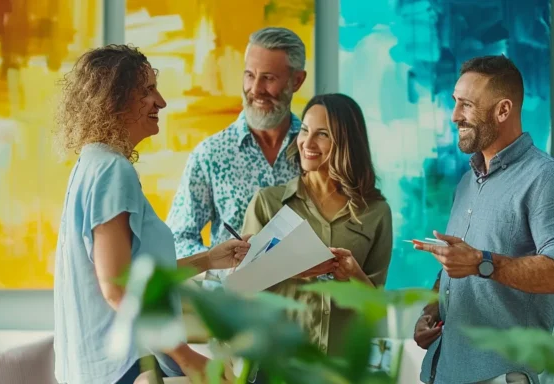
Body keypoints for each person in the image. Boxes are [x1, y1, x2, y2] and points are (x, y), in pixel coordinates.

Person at [51, 44, 250, 384]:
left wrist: (208, 259)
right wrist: (187, 359)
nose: (161, 101)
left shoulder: (90, 164)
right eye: (147, 91)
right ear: (114, 99)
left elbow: (131, 278)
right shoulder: (112, 171)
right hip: (125, 369)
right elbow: (117, 289)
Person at [410, 55, 554, 384]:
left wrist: (481, 262)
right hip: (444, 370)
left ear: (503, 110)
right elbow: (457, 267)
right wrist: (430, 314)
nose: (454, 116)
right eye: (454, 103)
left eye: (466, 105)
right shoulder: (467, 183)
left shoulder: (548, 180)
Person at [241, 93, 393, 358]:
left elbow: (375, 308)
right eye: (305, 130)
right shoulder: (268, 202)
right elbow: (241, 290)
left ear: (346, 142)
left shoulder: (377, 213)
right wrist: (289, 265)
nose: (307, 143)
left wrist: (354, 274)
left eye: (322, 134)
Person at [166, 27, 308, 287]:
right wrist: (217, 268)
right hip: (229, 314)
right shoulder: (211, 154)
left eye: (268, 77)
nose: (255, 88)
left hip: (303, 315)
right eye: (249, 75)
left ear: (297, 81)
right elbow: (177, 238)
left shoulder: (317, 151)